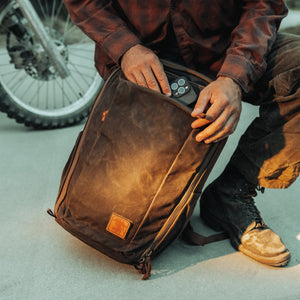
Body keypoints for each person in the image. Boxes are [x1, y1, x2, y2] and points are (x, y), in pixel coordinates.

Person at [63, 0, 300, 267]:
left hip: (220, 50)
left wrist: (235, 75)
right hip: (140, 58)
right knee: (111, 205)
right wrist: (124, 46)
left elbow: (264, 5)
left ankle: (231, 194)